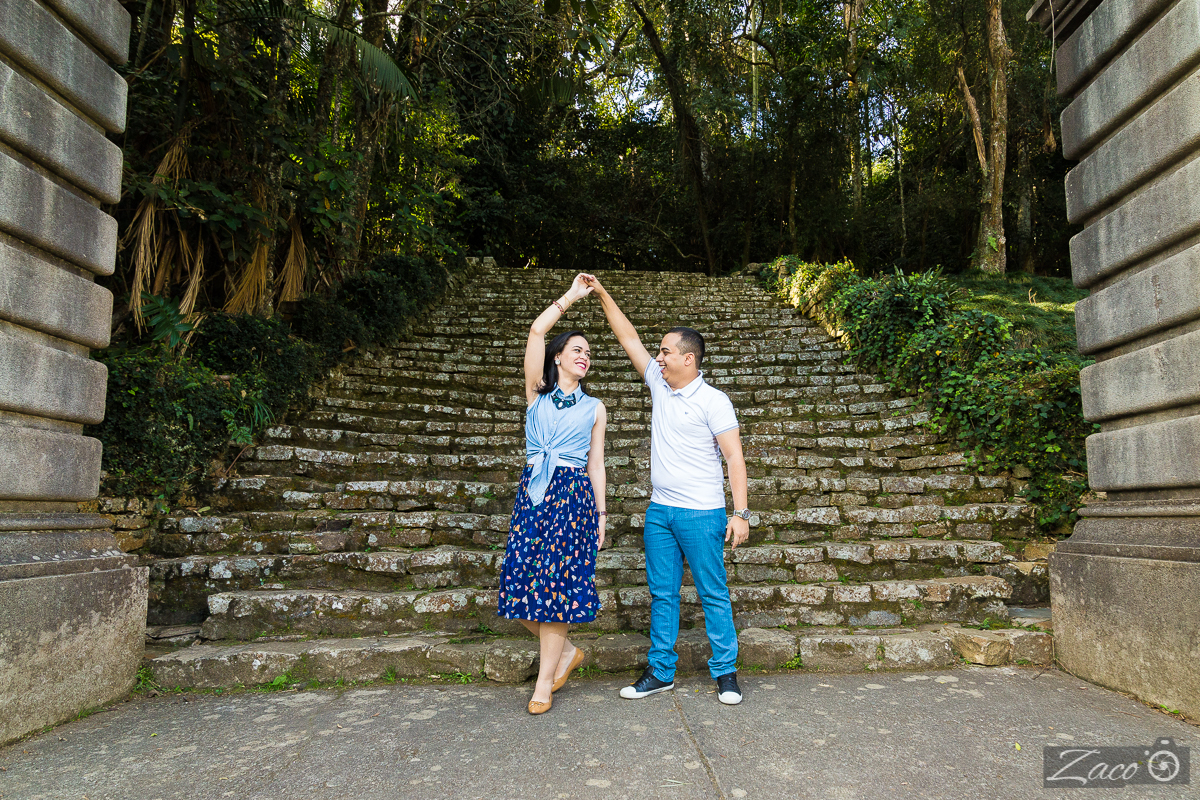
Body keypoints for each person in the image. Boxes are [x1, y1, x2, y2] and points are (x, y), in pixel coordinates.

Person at [582, 273, 750, 706]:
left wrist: (740, 513)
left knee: (713, 594)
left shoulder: (714, 401)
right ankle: (660, 672)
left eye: (665, 351)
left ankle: (726, 672)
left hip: (702, 513)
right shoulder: (659, 384)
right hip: (660, 512)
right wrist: (602, 293)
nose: (657, 357)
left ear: (688, 359)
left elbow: (734, 458)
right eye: (658, 351)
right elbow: (628, 337)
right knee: (662, 595)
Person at [497, 273, 608, 715]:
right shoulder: (535, 396)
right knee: (519, 582)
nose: (584, 357)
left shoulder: (595, 408)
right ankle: (566, 653)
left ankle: (545, 682)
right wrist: (572, 296)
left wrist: (601, 516)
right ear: (558, 357)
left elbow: (596, 464)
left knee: (558, 586)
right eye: (577, 350)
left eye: (589, 353)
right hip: (533, 493)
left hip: (572, 496)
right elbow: (536, 331)